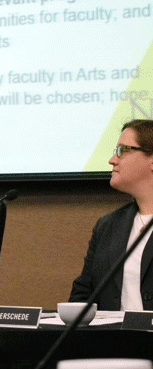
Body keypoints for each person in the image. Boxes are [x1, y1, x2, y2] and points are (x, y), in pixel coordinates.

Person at [70, 119, 153, 311]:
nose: (112, 160)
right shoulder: (108, 225)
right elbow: (82, 296)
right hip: (113, 340)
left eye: (122, 150)